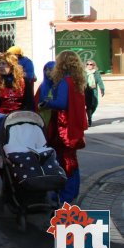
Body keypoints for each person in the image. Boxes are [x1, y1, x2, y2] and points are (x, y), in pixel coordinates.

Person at [40, 50, 87, 203]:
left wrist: (47, 103)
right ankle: (68, 192)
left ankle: (66, 194)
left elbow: (61, 103)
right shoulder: (76, 80)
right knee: (69, 160)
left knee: (65, 162)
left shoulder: (64, 81)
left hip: (63, 126)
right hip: (71, 125)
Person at [0, 52, 35, 132]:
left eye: (4, 64)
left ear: (12, 65)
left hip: (20, 121)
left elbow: (29, 103)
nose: (1, 66)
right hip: (1, 120)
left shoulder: (24, 82)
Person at [35, 61, 56, 130]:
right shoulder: (42, 86)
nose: (47, 72)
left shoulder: (61, 85)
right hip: (43, 119)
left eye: (50, 69)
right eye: (45, 70)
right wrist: (42, 104)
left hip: (56, 120)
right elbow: (35, 103)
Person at [84, 59, 105, 126]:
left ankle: (88, 114)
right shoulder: (83, 72)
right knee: (89, 105)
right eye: (88, 64)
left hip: (94, 90)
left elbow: (99, 81)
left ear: (93, 65)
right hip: (86, 90)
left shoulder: (96, 72)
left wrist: (102, 89)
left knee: (95, 104)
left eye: (91, 64)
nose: (89, 66)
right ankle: (89, 119)